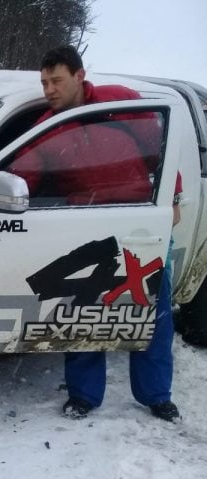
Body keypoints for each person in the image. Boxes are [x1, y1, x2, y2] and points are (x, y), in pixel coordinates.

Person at [14, 45, 181, 422]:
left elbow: (161, 151)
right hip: (86, 225)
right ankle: (84, 395)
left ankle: (157, 395)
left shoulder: (120, 103)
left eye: (56, 80)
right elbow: (26, 173)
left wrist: (173, 196)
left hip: (139, 221)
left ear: (79, 75)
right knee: (85, 311)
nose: (50, 89)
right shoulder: (46, 127)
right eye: (44, 82)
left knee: (151, 309)